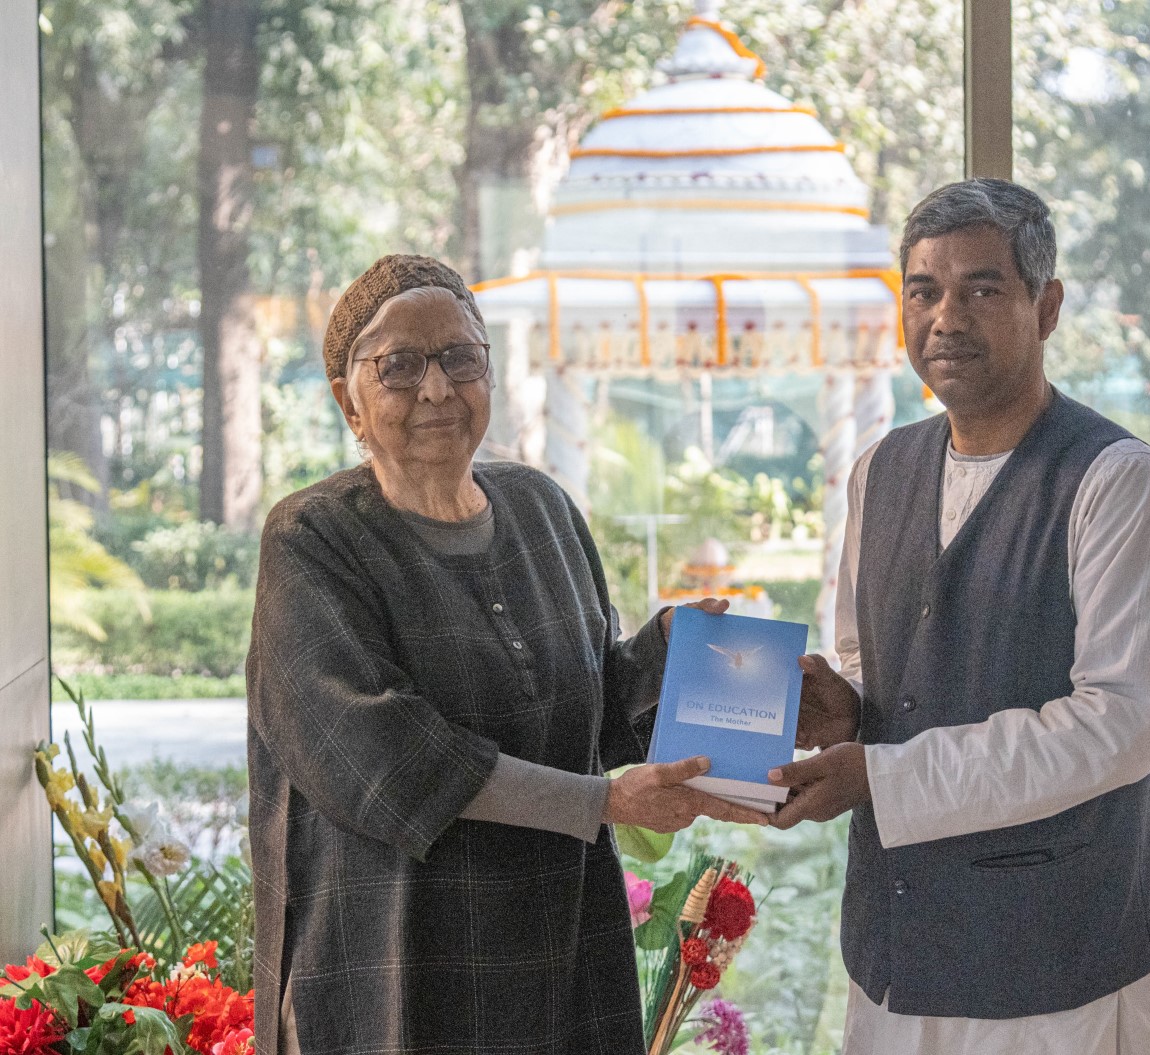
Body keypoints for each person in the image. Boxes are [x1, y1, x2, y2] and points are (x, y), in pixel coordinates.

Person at [245, 254, 768, 1055]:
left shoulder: (543, 509)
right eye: (399, 365)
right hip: (399, 971)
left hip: (563, 950)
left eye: (460, 357)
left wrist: (672, 650)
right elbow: (383, 758)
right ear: (349, 401)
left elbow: (592, 711)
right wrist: (602, 802)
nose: (436, 387)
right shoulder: (312, 539)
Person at [767, 179, 1150, 1053]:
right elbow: (871, 662)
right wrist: (846, 709)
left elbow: (1118, 724)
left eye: (982, 289)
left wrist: (883, 776)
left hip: (1058, 968)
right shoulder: (879, 471)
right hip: (895, 955)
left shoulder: (1118, 481)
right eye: (923, 291)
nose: (945, 319)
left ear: (1048, 307)